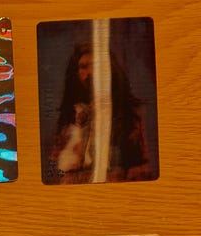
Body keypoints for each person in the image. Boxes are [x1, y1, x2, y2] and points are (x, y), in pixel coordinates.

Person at [49, 43, 150, 183]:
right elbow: (53, 167)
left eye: (96, 66)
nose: (90, 72)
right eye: (83, 67)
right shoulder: (68, 119)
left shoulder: (130, 114)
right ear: (76, 73)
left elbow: (144, 165)